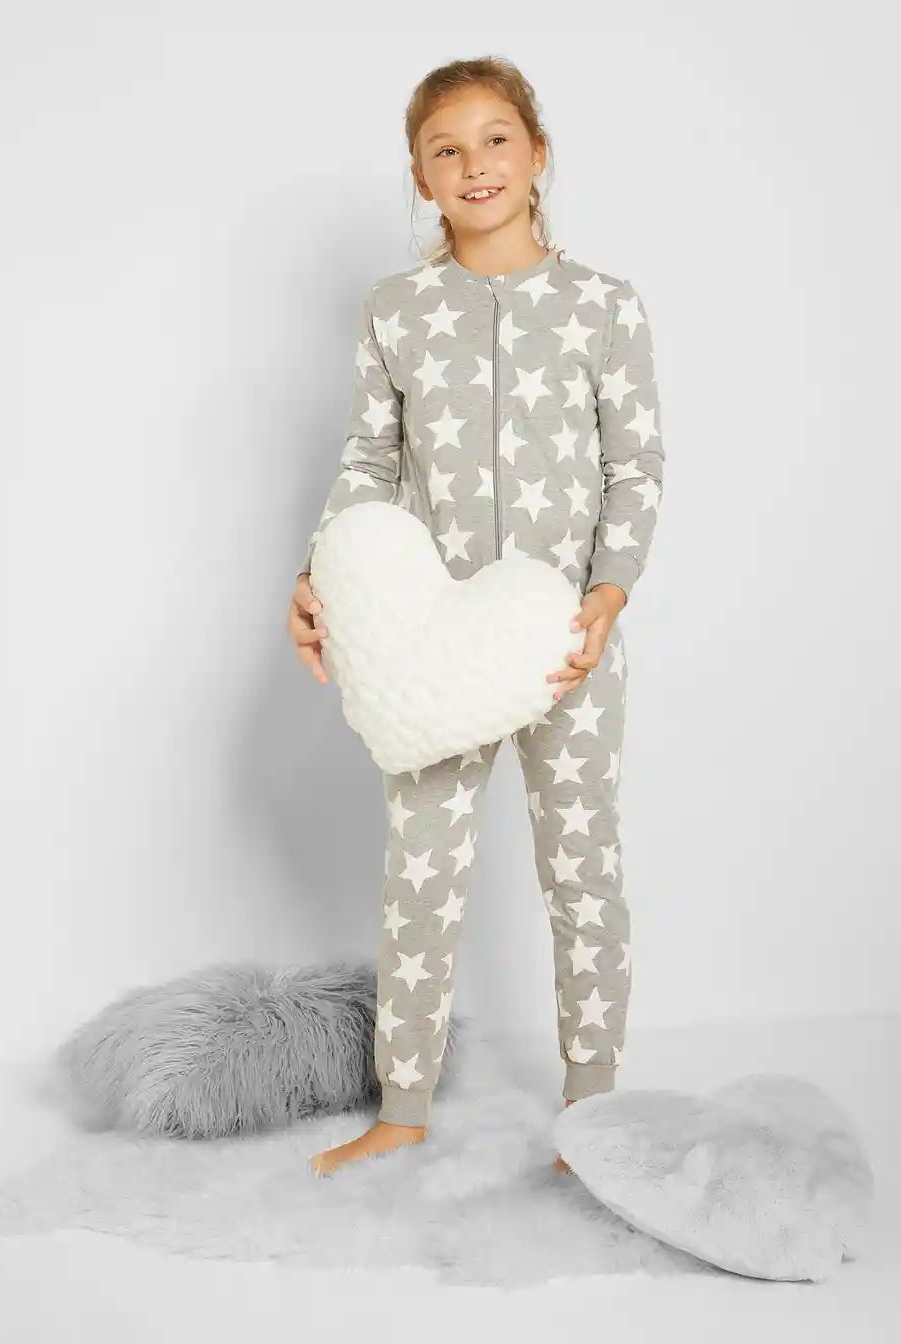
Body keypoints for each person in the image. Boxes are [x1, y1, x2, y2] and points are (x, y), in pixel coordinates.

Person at [287, 56, 665, 1177]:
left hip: (567, 645)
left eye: (496, 138)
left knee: (584, 869)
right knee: (422, 870)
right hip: (433, 646)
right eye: (445, 149)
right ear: (421, 177)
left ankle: (594, 1107)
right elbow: (368, 462)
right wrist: (319, 577)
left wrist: (606, 597)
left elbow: (636, 465)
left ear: (537, 154)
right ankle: (403, 1106)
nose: (475, 164)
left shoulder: (604, 305)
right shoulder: (398, 310)